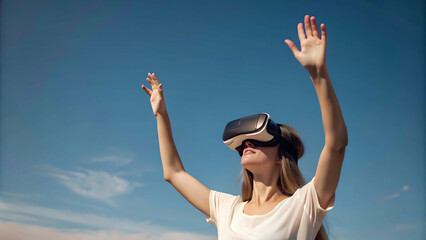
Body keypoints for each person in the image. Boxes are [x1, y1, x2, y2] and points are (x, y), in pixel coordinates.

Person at [141, 15, 348, 240]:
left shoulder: (303, 205)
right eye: (243, 143)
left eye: (259, 140)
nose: (247, 144)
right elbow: (173, 173)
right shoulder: (228, 209)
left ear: (281, 156)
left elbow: (336, 146)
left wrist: (319, 76)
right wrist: (162, 115)